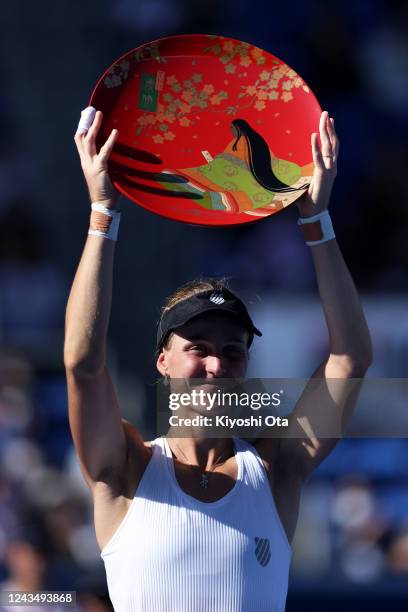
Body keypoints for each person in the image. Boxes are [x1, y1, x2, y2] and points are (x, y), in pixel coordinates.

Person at [65, 106, 372, 611]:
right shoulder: (125, 466)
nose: (215, 365)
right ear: (162, 361)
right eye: (197, 350)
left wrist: (316, 219)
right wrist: (103, 213)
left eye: (232, 352)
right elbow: (82, 364)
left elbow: (350, 357)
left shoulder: (276, 468)